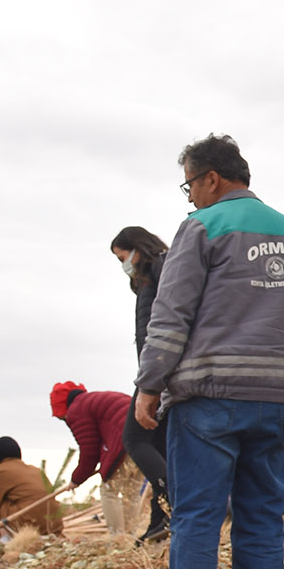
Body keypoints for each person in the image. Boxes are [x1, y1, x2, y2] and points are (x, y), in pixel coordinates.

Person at [134, 134, 284, 569]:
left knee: (198, 510)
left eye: (190, 184)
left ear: (212, 178)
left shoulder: (201, 227)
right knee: (262, 510)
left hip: (210, 395)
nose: (190, 195)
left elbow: (171, 316)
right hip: (278, 397)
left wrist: (150, 385)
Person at [111, 226, 172, 544]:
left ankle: (174, 497)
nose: (124, 265)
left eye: (123, 257)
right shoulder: (154, 273)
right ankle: (159, 521)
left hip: (159, 370)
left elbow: (162, 324)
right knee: (159, 444)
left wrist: (151, 379)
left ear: (136, 249)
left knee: (135, 438)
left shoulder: (160, 267)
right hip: (157, 369)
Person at [50, 382, 141, 536]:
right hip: (145, 439)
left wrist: (76, 479)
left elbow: (89, 451)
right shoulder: (91, 400)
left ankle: (117, 537)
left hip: (125, 440)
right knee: (132, 492)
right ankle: (132, 536)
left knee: (108, 491)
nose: (64, 419)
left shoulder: (76, 410)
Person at [0, 437, 64, 537]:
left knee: (0, 500)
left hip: (28, 526)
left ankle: (5, 537)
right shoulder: (36, 470)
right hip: (54, 525)